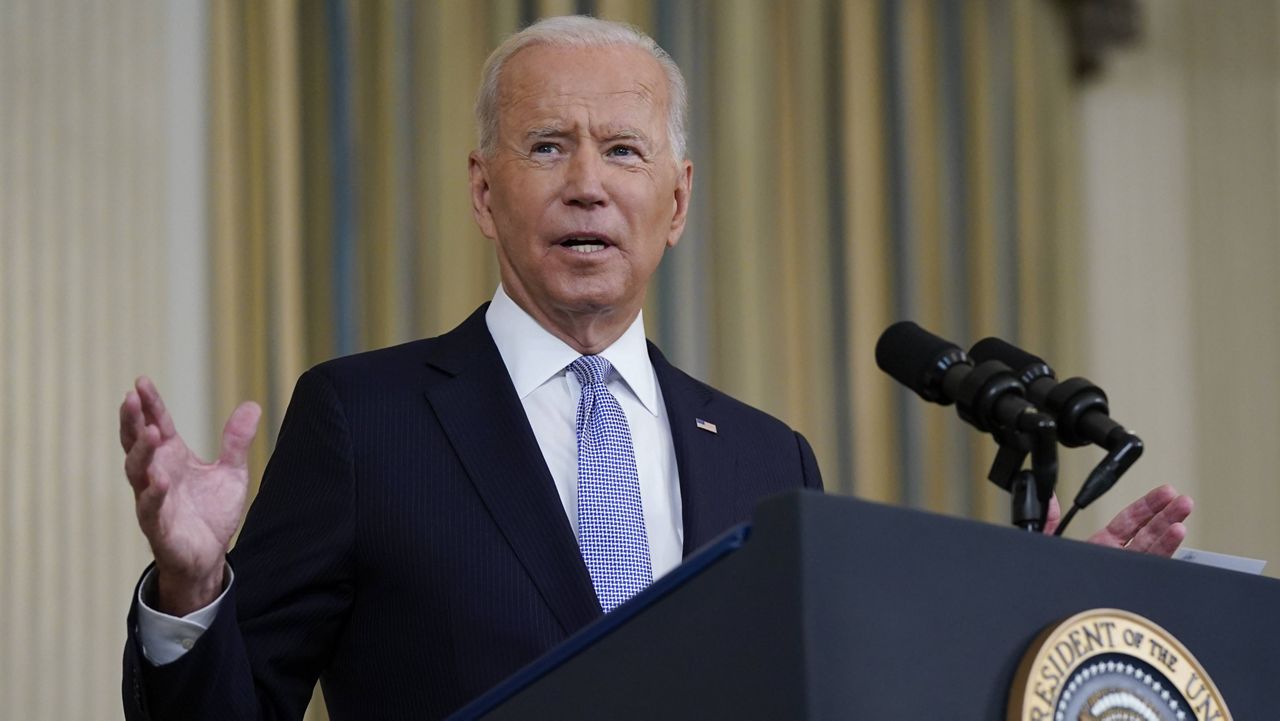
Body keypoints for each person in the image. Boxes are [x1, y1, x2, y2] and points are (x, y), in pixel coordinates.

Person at [118, 16, 1193, 721]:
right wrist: (193, 588)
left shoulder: (770, 459)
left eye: (622, 151)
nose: (586, 183)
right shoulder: (365, 419)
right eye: (546, 146)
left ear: (674, 203)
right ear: (484, 193)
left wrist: (1032, 618)